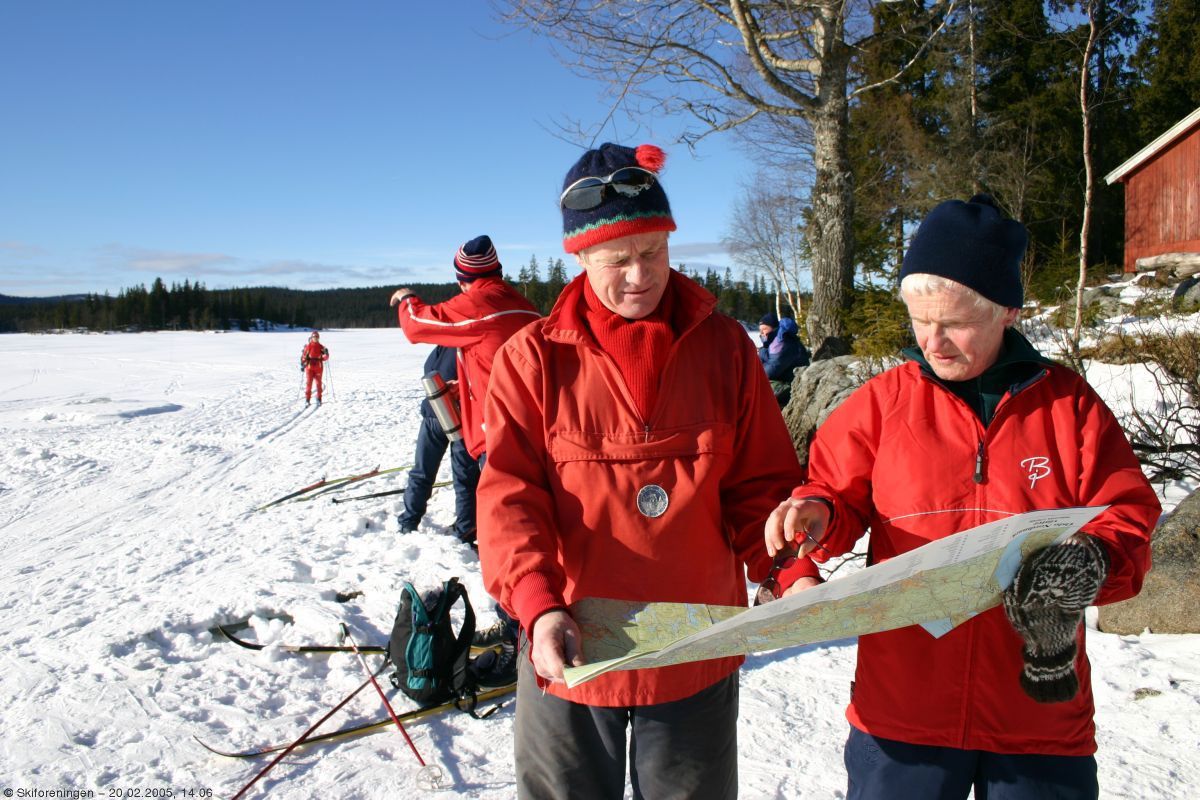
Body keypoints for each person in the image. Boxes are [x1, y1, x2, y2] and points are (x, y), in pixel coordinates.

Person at [763, 194, 1162, 800]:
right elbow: (829, 492)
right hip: (904, 712)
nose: (934, 341)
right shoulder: (884, 402)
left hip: (1037, 716)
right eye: (921, 322)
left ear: (1006, 311)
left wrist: (1089, 563)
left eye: (953, 323)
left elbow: (1126, 518)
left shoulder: (1070, 406)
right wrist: (814, 514)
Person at [477, 142, 820, 799]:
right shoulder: (533, 359)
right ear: (579, 258)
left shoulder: (724, 349)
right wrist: (536, 605)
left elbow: (761, 488)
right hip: (570, 640)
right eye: (617, 260)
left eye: (652, 254)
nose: (639, 275)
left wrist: (790, 569)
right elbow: (508, 500)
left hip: (694, 647)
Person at [388, 234, 540, 473]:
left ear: (464, 280)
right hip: (534, 430)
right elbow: (506, 367)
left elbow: (415, 325)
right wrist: (465, 385)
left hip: (499, 438)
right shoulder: (525, 307)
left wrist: (406, 298)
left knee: (502, 509)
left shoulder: (478, 304)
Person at [396, 345, 480, 544]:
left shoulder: (443, 346)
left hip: (437, 414)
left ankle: (409, 520)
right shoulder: (465, 346)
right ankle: (466, 529)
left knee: (423, 472)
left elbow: (430, 370)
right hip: (455, 416)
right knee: (464, 477)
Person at [759, 315, 810, 406]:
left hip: (793, 384)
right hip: (784, 380)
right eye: (760, 330)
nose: (762, 333)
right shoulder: (772, 343)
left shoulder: (782, 343)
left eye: (765, 329)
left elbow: (771, 370)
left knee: (759, 388)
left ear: (774, 328)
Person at [299, 331, 328, 406]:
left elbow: (325, 358)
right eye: (314, 337)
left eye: (316, 337)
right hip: (309, 368)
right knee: (309, 384)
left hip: (318, 368)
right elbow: (304, 356)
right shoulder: (308, 346)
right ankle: (307, 400)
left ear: (318, 338)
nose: (315, 338)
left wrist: (326, 353)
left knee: (318, 384)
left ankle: (319, 399)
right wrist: (303, 364)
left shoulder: (321, 347)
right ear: (311, 338)